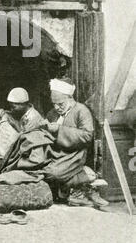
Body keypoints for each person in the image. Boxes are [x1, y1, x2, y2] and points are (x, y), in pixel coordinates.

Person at [41, 78, 109, 208]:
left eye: (60, 104)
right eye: (54, 104)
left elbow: (87, 136)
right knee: (39, 170)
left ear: (70, 98)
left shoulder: (81, 111)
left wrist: (59, 130)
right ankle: (80, 189)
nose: (57, 107)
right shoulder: (52, 113)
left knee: (52, 174)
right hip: (55, 152)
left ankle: (86, 177)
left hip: (74, 154)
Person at [0, 87, 44, 163]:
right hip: (19, 146)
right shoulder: (23, 112)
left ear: (22, 104)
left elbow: (26, 141)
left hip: (28, 153)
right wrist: (2, 112)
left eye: (13, 107)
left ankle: (4, 156)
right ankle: (2, 154)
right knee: (2, 116)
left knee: (4, 123)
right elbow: (10, 114)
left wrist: (15, 125)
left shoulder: (34, 118)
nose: (12, 109)